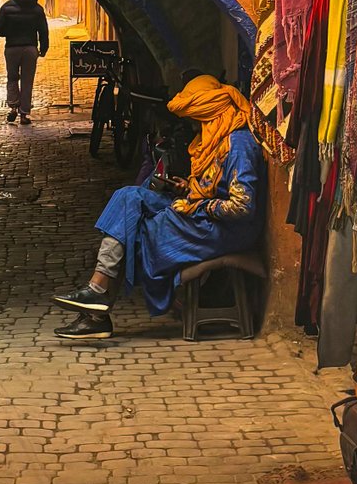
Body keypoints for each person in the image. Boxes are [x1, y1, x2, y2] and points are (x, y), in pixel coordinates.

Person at [52, 74, 264, 342]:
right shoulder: (215, 140)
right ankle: (96, 295)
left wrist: (197, 206)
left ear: (209, 113)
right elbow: (210, 186)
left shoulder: (238, 145)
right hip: (199, 213)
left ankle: (96, 308)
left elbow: (243, 206)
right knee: (128, 196)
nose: (193, 126)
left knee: (135, 231)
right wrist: (187, 189)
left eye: (196, 119)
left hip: (223, 229)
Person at [0, 0, 50, 124]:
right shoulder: (37, 8)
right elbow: (43, 31)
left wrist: (10, 30)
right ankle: (24, 114)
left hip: (12, 48)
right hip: (30, 48)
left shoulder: (7, 7)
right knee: (28, 81)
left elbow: (0, 30)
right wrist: (44, 48)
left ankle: (13, 107)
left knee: (12, 77)